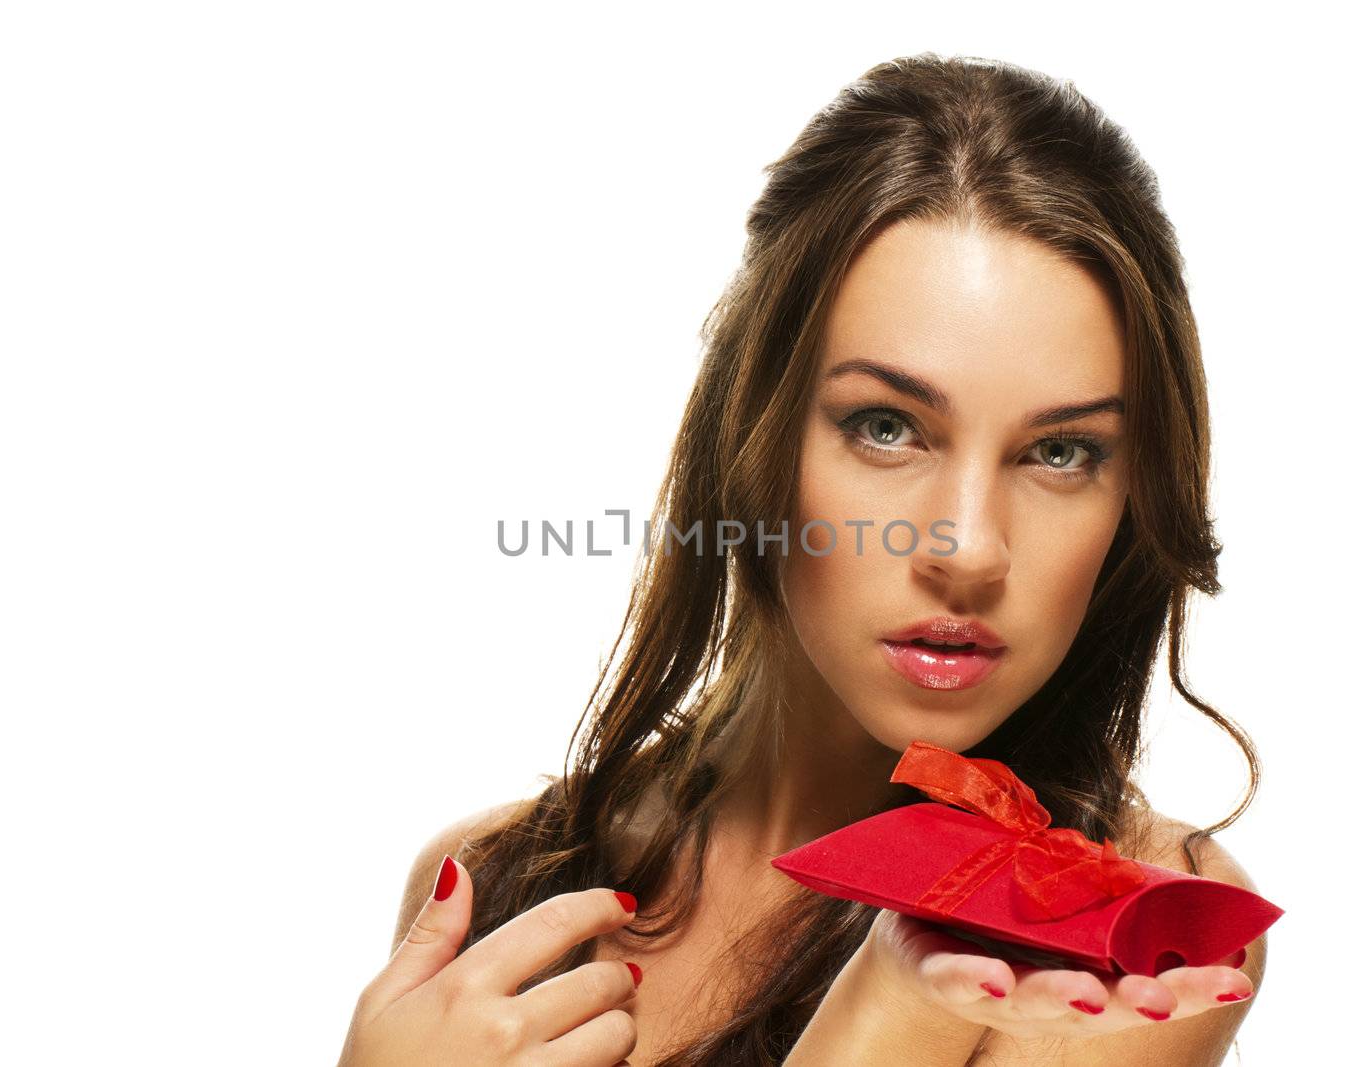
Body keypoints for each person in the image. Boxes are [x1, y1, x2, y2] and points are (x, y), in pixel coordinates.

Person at [335, 52, 1267, 1067]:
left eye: (1060, 452)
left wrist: (892, 1001)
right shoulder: (492, 880)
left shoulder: (1131, 940)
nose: (966, 548)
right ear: (756, 434)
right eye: (886, 426)